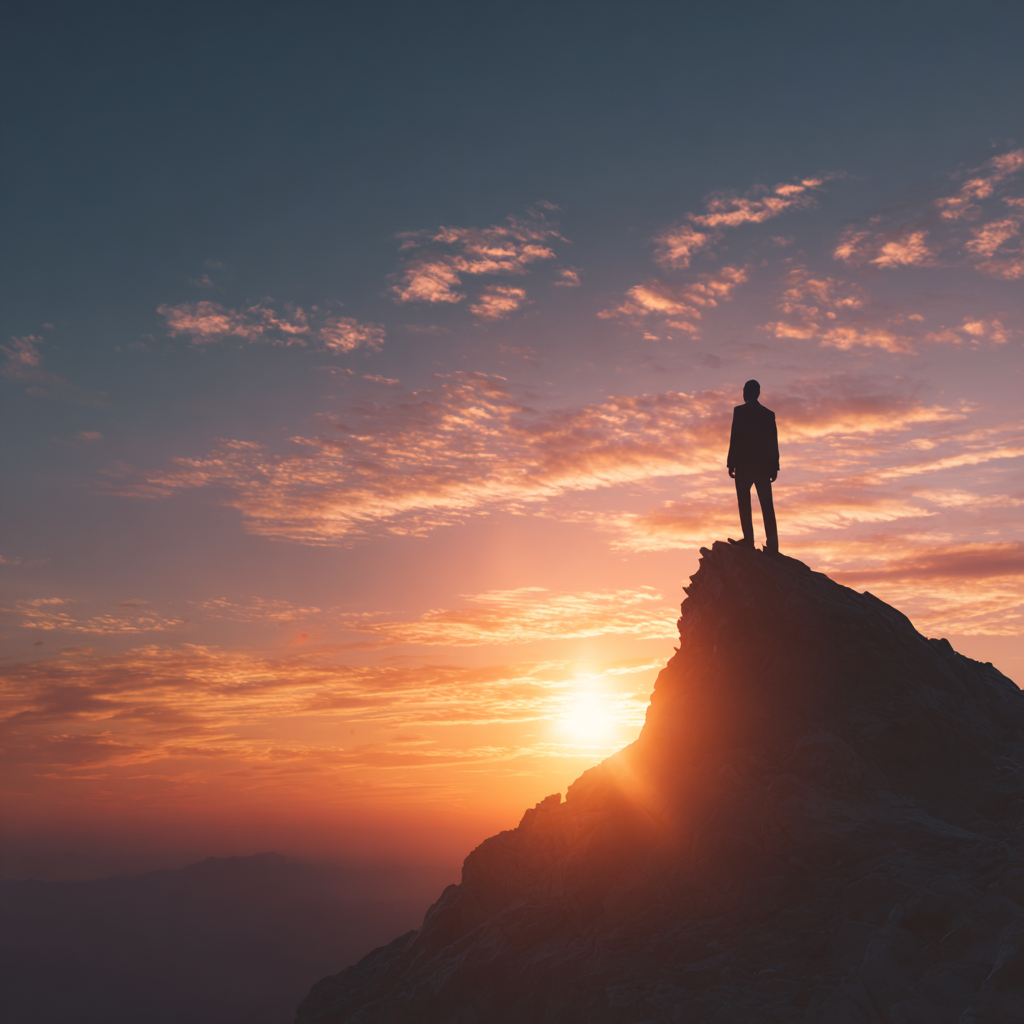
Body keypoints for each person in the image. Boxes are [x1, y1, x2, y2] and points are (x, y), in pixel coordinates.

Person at [726, 379, 779, 554]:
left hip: (744, 465)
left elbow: (736, 437)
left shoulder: (740, 411)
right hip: (763, 466)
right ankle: (773, 544)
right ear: (758, 393)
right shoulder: (768, 414)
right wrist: (774, 466)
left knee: (744, 503)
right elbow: (773, 442)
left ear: (746, 393)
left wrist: (731, 462)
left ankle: (748, 540)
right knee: (766, 504)